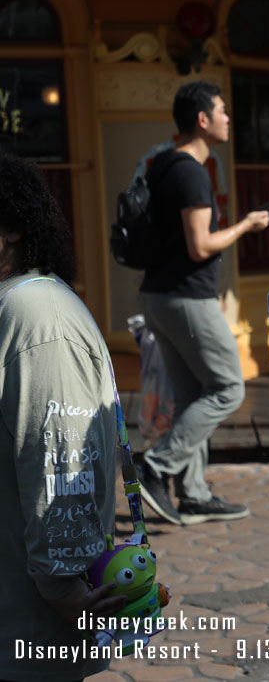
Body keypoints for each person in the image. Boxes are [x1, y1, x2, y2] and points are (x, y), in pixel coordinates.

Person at [0, 150, 126, 681]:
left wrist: (68, 592)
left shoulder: (36, 319)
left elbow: (60, 470)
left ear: (7, 230)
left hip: (29, 638)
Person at [136, 82, 269, 525]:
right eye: (222, 110)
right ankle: (156, 465)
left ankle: (192, 493)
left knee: (193, 393)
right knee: (229, 388)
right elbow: (200, 246)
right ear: (202, 119)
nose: (228, 118)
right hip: (186, 298)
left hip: (160, 294)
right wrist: (246, 225)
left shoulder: (161, 165)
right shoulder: (191, 171)